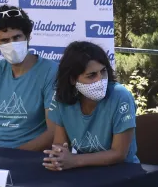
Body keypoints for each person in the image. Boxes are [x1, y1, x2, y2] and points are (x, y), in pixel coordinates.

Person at [0, 5, 57, 149]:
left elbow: (53, 133)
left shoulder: (50, 71)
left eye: (16, 37)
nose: (12, 44)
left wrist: (11, 157)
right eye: (5, 40)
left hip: (31, 159)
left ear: (27, 36)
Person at [43, 41, 137, 170]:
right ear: (72, 79)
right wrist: (58, 159)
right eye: (92, 75)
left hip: (122, 172)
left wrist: (74, 160)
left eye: (103, 72)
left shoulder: (120, 96)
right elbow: (60, 145)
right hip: (84, 172)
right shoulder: (62, 99)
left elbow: (119, 154)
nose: (100, 80)